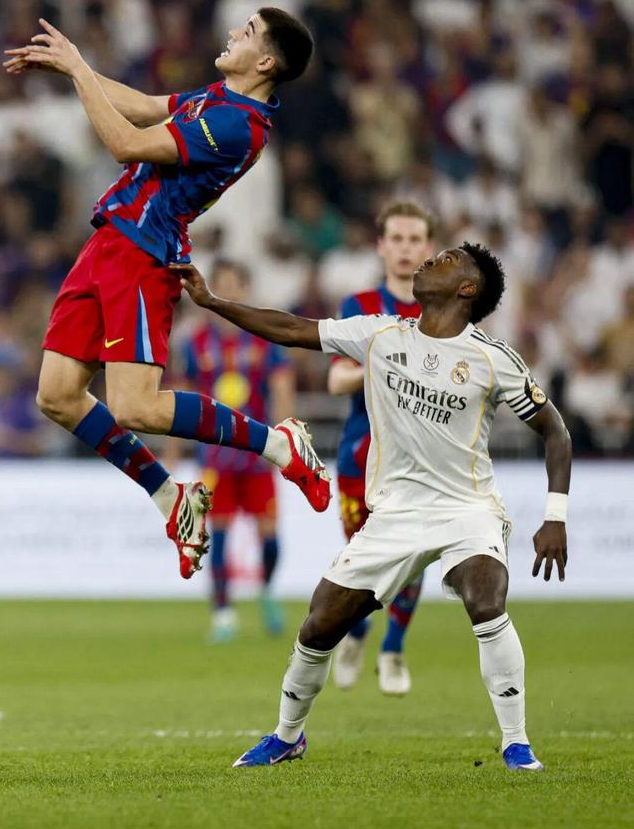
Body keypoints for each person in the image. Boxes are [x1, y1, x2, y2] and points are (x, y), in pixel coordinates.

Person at [173, 242, 571, 772]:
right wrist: (213, 302)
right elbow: (290, 328)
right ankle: (287, 736)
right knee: (319, 624)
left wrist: (555, 516)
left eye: (447, 259)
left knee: (485, 597)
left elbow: (555, 431)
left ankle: (516, 743)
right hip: (395, 515)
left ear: (467, 288)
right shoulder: (380, 334)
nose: (429, 259)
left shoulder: (492, 359)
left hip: (467, 509)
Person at [3, 8, 330, 580]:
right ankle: (170, 497)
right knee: (56, 396)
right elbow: (142, 107)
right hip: (108, 242)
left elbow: (126, 143)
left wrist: (79, 70)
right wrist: (74, 67)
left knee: (136, 407)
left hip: (144, 255)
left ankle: (279, 444)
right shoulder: (217, 98)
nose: (233, 32)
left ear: (265, 61)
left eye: (248, 31)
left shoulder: (238, 126)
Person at [327, 200, 434, 696]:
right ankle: (357, 631)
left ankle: (392, 648)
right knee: (362, 557)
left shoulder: (444, 309)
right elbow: (337, 379)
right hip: (362, 453)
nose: (405, 248)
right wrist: (387, 361)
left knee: (413, 555)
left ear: (429, 248)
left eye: (414, 239)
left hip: (421, 459)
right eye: (397, 239)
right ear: (381, 246)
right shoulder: (361, 305)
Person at [165, 259, 295, 640]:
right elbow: (179, 398)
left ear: (245, 289)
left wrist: (286, 442)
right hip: (215, 458)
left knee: (269, 539)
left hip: (258, 455)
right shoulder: (196, 344)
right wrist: (172, 451)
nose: (227, 291)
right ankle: (223, 613)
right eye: (220, 284)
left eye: (234, 284)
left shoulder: (262, 339)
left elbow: (282, 390)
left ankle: (266, 590)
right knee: (216, 536)